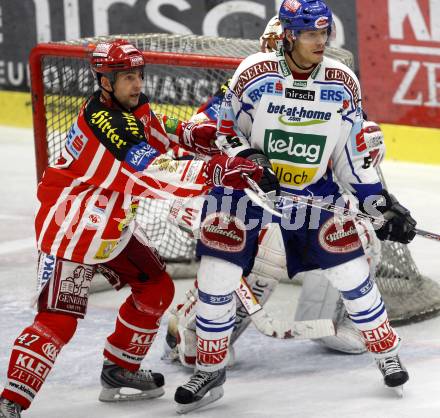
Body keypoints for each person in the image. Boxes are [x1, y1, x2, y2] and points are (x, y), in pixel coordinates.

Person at [174, 0, 417, 413]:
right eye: (311, 34)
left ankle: (386, 352)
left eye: (324, 34)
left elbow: (351, 154)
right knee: (218, 274)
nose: (321, 42)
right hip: (246, 191)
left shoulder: (342, 83)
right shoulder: (253, 73)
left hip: (311, 192)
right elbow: (224, 130)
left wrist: (378, 204)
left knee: (351, 272)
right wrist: (248, 159)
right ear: (287, 37)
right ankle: (209, 368)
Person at [0, 39, 263, 418]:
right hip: (74, 228)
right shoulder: (107, 125)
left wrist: (201, 135)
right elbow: (154, 171)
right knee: (59, 320)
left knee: (156, 288)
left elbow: (165, 129)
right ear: (104, 81)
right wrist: (216, 169)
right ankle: (12, 401)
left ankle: (119, 369)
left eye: (138, 75)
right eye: (126, 77)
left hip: (112, 224)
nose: (136, 84)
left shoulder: (133, 109)